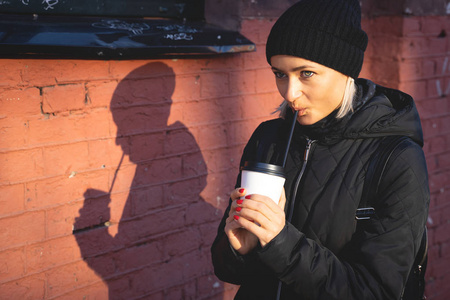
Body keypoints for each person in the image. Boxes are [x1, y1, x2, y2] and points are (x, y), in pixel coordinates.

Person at [210, 0, 430, 299]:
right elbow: (228, 271)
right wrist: (237, 249)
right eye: (279, 73)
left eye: (306, 74)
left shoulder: (396, 157)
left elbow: (376, 291)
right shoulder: (269, 139)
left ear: (345, 70)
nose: (290, 93)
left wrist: (280, 241)